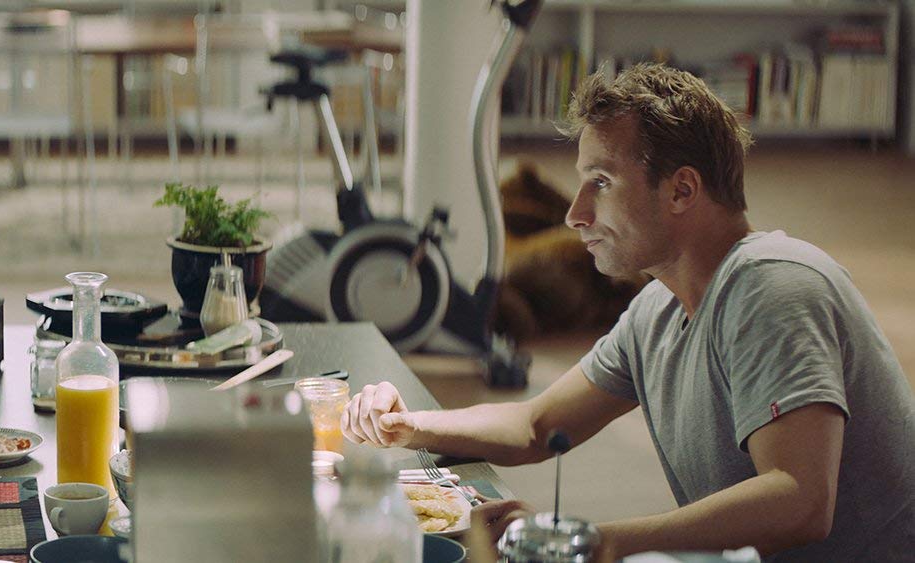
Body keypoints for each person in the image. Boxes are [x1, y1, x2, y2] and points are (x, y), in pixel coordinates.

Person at [343, 63, 914, 561]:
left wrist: (595, 543)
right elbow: (537, 427)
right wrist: (409, 425)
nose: (574, 213)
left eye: (602, 182)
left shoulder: (774, 287)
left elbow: (800, 501)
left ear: (682, 190)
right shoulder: (658, 309)